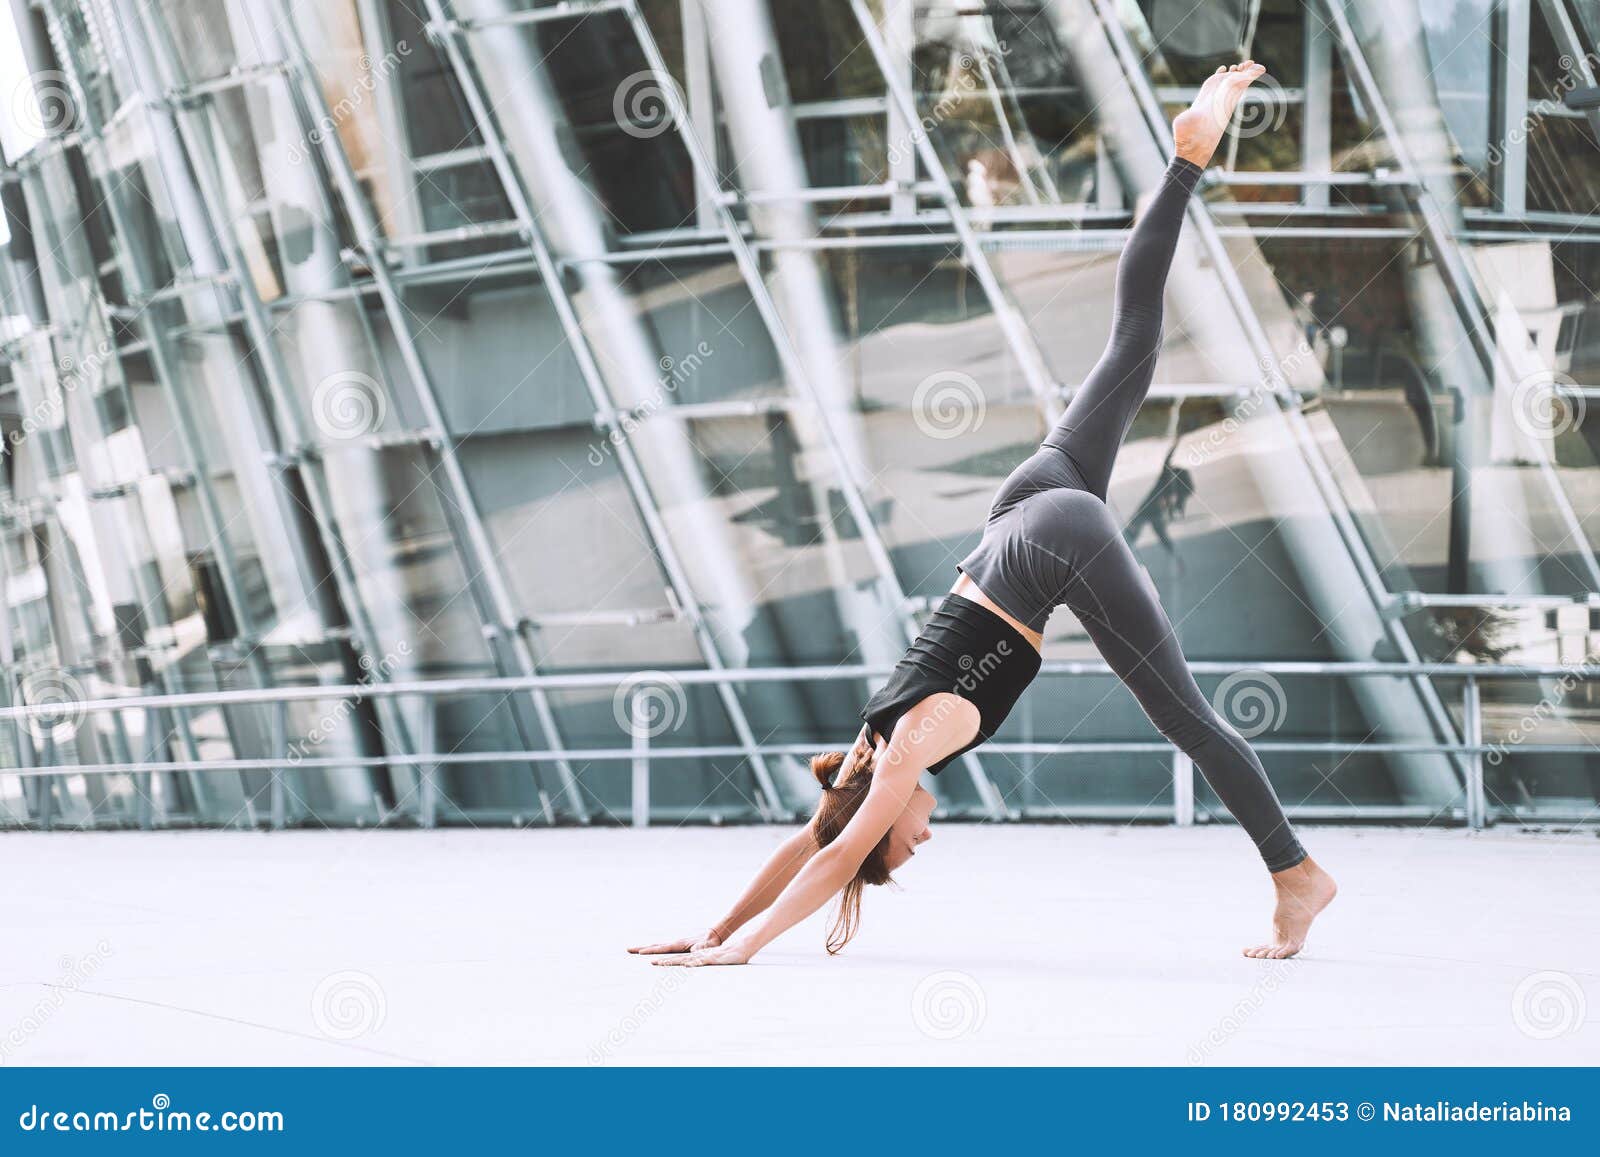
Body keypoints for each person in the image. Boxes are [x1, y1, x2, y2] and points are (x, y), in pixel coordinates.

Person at [630, 63, 1336, 969]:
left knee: (1188, 719)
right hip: (1021, 508)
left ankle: (1296, 875)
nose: (917, 843)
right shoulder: (866, 744)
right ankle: (1186, 160)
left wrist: (743, 950)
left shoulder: (902, 752)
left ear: (884, 823)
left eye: (901, 846)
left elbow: (839, 848)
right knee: (1134, 339)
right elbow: (816, 837)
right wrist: (712, 926)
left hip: (1054, 544)